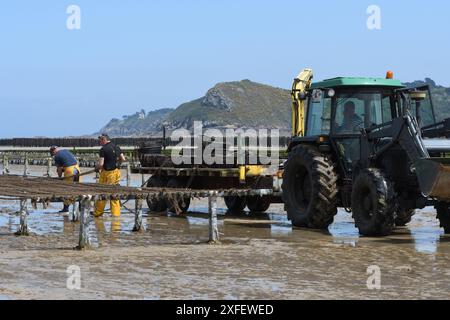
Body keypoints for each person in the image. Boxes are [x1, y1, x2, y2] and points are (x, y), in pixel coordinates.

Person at [93, 134, 126, 217]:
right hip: (116, 172)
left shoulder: (103, 149)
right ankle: (116, 214)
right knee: (114, 193)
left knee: (102, 192)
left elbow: (101, 164)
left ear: (103, 139)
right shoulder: (116, 147)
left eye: (100, 140)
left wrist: (97, 168)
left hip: (107, 173)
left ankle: (98, 213)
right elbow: (123, 159)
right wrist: (118, 165)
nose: (100, 142)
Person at [49, 146, 82, 213]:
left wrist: (60, 177)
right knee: (78, 188)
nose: (54, 155)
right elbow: (69, 161)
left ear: (53, 151)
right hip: (77, 168)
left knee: (67, 189)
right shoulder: (66, 151)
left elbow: (59, 169)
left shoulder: (57, 156)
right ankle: (81, 207)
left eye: (53, 154)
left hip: (70, 170)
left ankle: (65, 208)